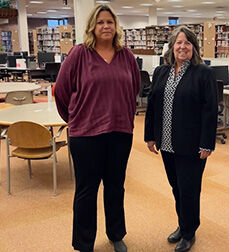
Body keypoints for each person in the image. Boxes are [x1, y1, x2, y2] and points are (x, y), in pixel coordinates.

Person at [54, 5, 140, 252]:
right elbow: (61, 91)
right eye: (100, 22)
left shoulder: (126, 56)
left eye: (110, 22)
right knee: (86, 189)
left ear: (116, 26)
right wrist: (74, 118)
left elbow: (134, 87)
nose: (105, 26)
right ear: (92, 26)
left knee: (115, 186)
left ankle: (116, 234)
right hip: (85, 134)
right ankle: (84, 243)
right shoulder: (79, 54)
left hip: (120, 132)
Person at [144, 26, 217, 252]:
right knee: (176, 187)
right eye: (178, 42)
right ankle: (182, 224)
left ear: (194, 47)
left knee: (189, 189)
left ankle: (189, 232)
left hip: (192, 145)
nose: (182, 47)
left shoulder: (203, 73)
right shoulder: (161, 71)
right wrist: (150, 136)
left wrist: (207, 143)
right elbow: (153, 105)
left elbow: (210, 110)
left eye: (187, 43)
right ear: (171, 46)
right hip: (166, 142)